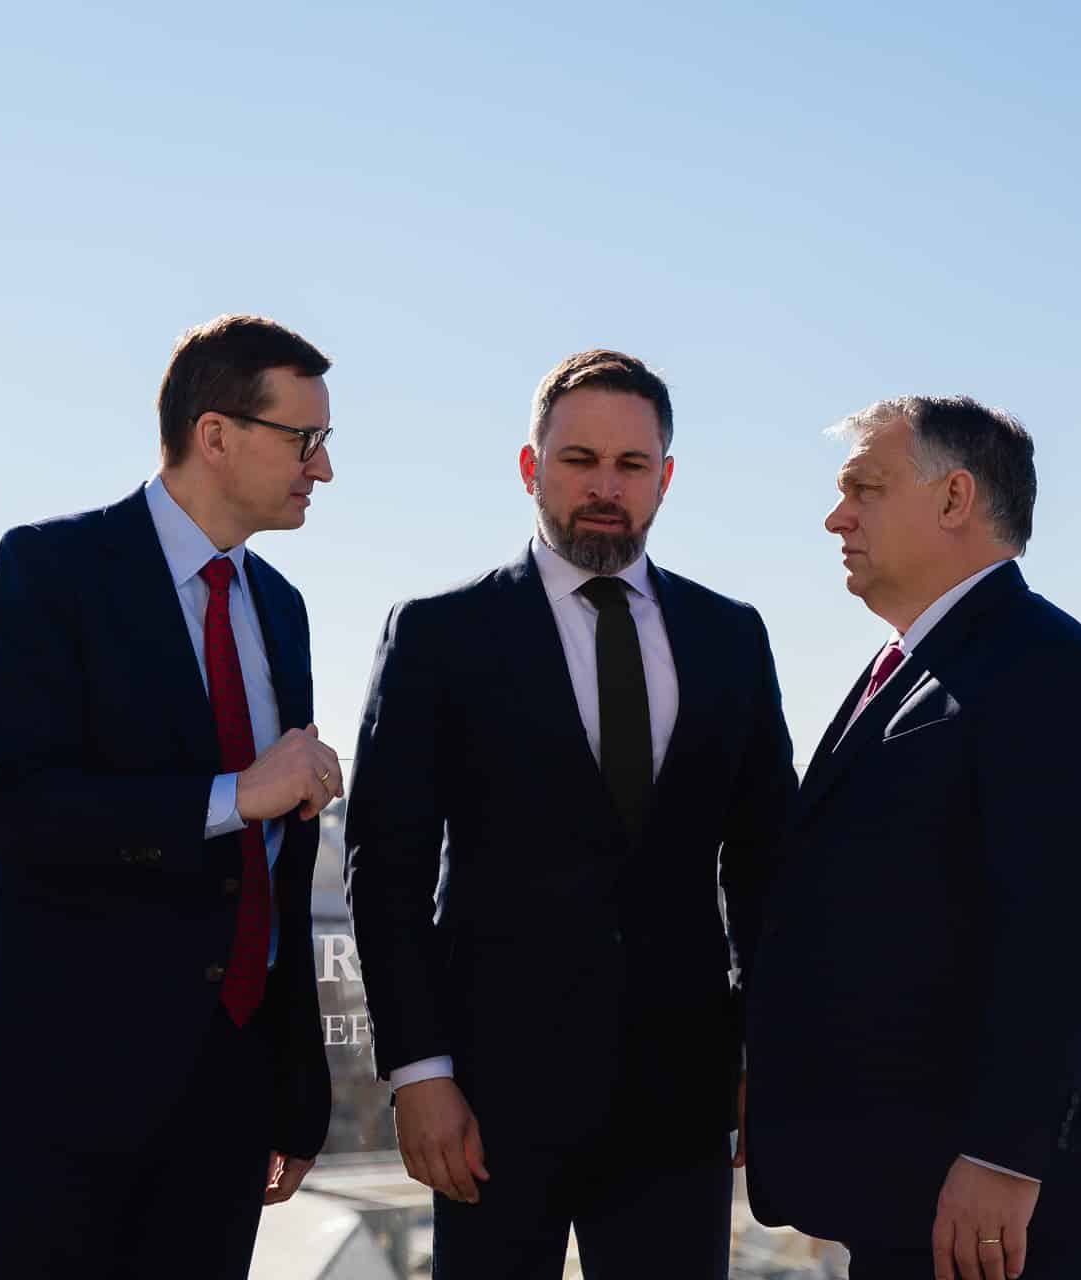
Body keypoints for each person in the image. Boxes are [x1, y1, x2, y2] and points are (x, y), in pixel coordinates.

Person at [345, 349, 796, 1279]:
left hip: (682, 1099)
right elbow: (383, 869)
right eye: (579, 459)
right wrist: (419, 1074)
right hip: (489, 1102)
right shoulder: (438, 635)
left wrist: (768, 1054)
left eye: (632, 466)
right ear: (530, 467)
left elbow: (764, 866)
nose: (605, 487)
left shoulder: (730, 637)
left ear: (666, 480)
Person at [744, 396, 1081, 1279]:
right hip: (918, 1190)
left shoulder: (1051, 676)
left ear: (955, 499)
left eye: (864, 489)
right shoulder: (919, 667)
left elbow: (1061, 940)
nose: (836, 517)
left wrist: (1004, 1156)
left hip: (1027, 1210)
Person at [0, 315, 342, 1278]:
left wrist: (294, 1091)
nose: (322, 470)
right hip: (55, 1093)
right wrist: (234, 793)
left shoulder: (282, 608)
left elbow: (271, 878)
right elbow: (15, 808)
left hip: (226, 1106)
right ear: (216, 435)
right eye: (305, 440)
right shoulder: (50, 569)